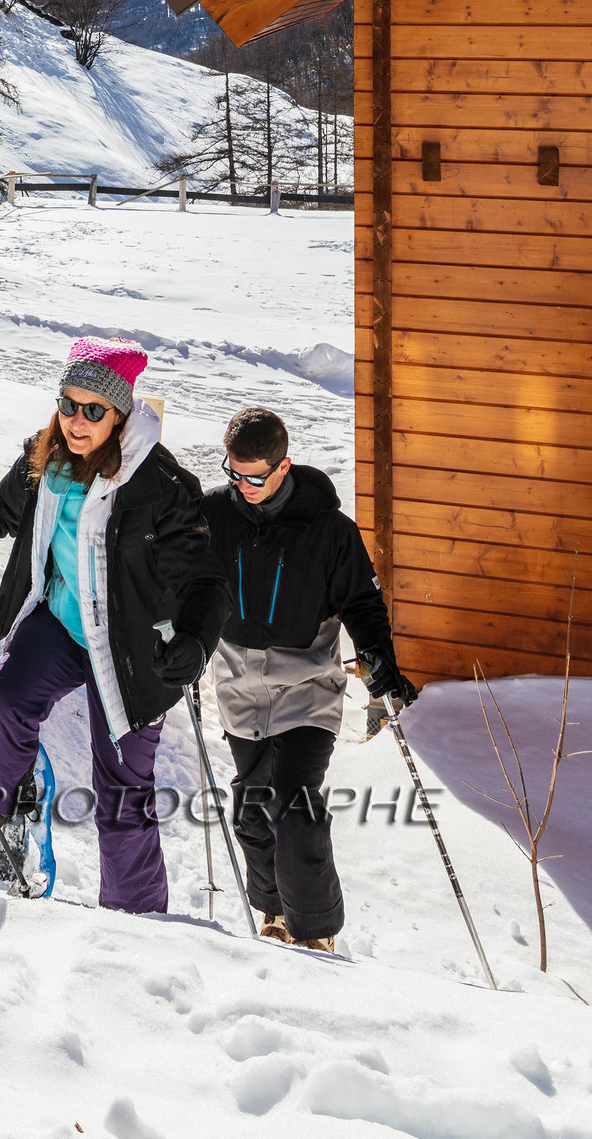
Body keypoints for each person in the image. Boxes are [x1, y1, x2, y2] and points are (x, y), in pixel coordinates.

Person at [0, 339, 227, 913]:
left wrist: (194, 643)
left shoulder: (159, 487)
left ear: (119, 415)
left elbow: (205, 580)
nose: (76, 421)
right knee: (4, 700)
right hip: (65, 624)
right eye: (67, 405)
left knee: (121, 795)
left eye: (93, 410)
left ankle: (136, 918)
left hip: (131, 649)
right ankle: (4, 800)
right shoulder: (45, 461)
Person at [201, 405, 419, 953]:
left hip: (308, 688)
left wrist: (379, 659)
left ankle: (315, 932)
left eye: (254, 475)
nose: (243, 485)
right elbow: (181, 581)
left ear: (283, 466)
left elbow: (362, 603)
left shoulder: (329, 531)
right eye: (233, 473)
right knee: (252, 811)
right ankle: (274, 912)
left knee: (294, 804)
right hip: (238, 687)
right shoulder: (212, 515)